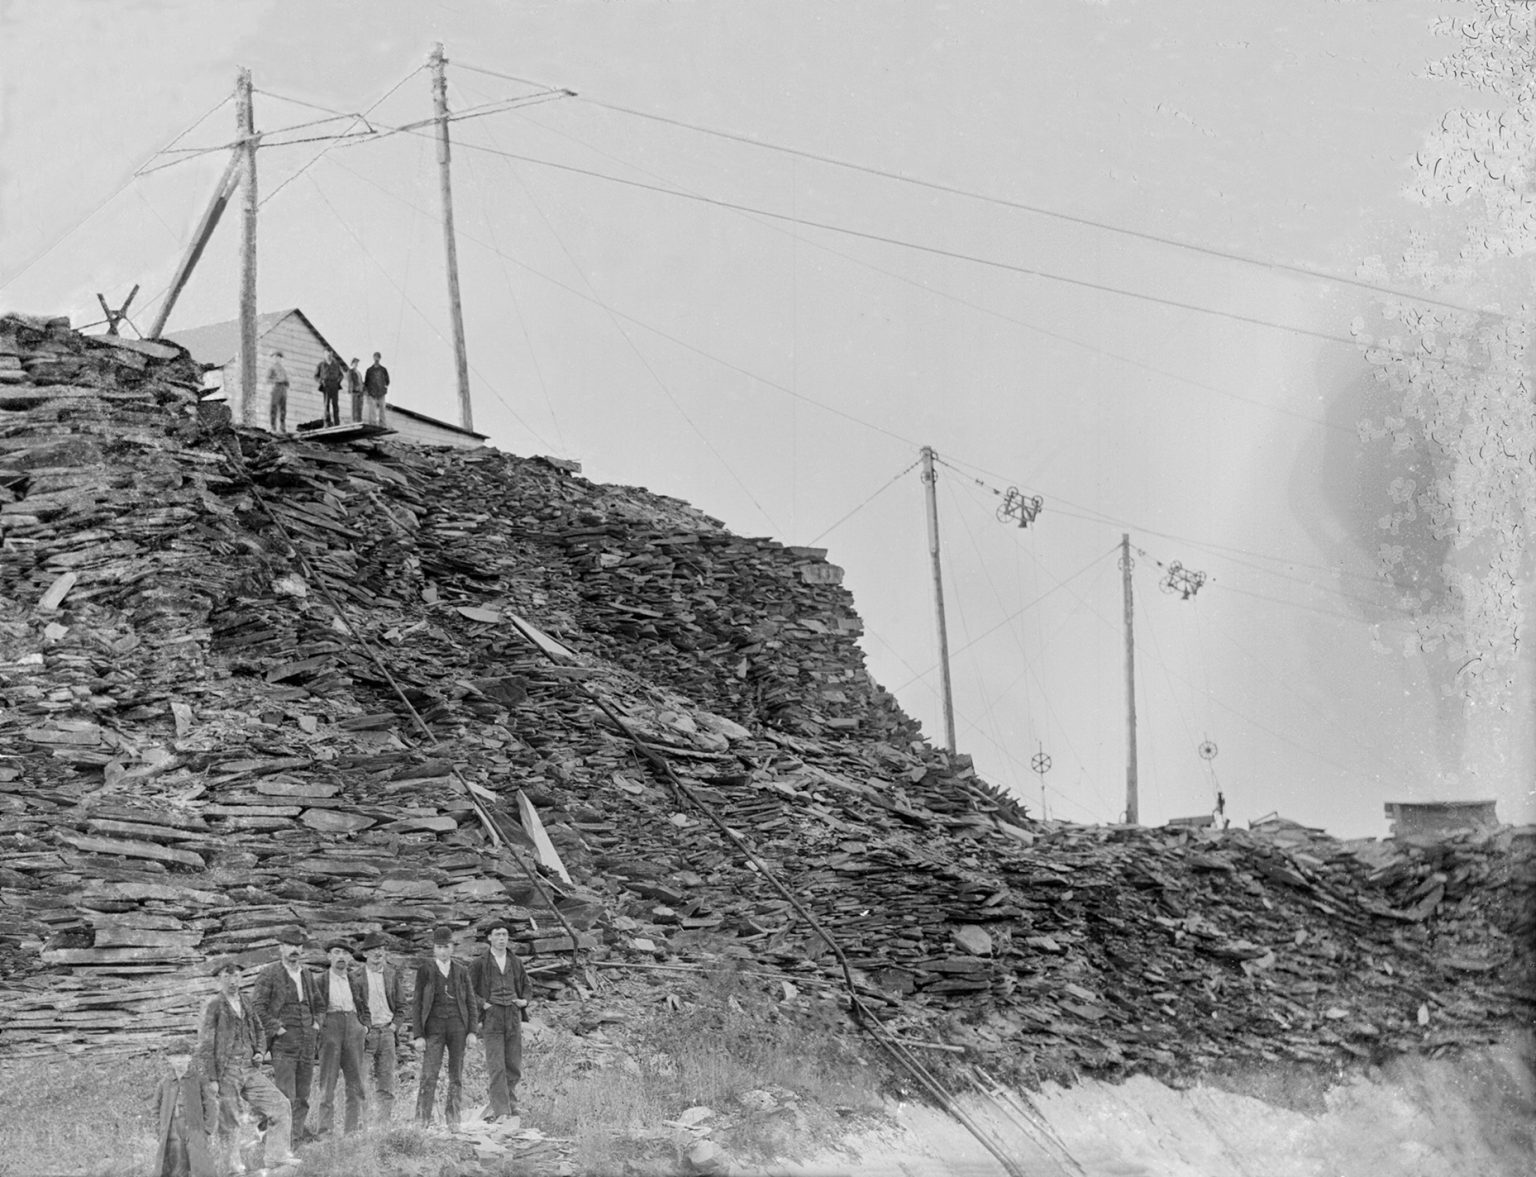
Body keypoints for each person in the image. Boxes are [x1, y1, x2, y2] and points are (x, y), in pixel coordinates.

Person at [196, 959, 297, 1173]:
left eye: (236, 976)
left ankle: (277, 1158)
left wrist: (260, 1051)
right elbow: (206, 1044)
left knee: (280, 1104)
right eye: (227, 976)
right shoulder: (213, 1005)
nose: (233, 981)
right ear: (218, 980)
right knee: (230, 1121)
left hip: (249, 1069)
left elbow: (260, 1029)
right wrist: (213, 1079)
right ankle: (233, 1170)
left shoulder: (246, 1001)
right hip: (227, 1072)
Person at [252, 926, 320, 1150]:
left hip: (307, 1043)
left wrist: (316, 1024)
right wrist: (277, 1028)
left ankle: (295, 1140)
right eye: (290, 945)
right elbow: (258, 1007)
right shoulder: (270, 973)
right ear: (281, 948)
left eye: (298, 946)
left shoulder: (307, 974)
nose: (295, 950)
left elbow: (318, 1004)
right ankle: (275, 1141)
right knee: (285, 1096)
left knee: (303, 1096)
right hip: (283, 1044)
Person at [412, 925, 477, 1130]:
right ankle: (421, 1120)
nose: (443, 951)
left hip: (458, 1026)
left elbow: (471, 1002)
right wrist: (418, 1035)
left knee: (456, 1076)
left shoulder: (461, 971)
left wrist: (472, 1031)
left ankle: (453, 1120)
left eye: (446, 946)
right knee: (429, 1074)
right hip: (434, 1027)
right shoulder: (425, 970)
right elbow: (417, 1003)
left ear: (452, 947)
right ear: (434, 949)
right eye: (439, 947)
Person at [470, 917, 531, 1124]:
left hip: (512, 1016)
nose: (502, 939)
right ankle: (501, 1111)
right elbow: (468, 990)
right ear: (489, 938)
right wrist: (483, 1004)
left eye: (505, 935)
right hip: (493, 1017)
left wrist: (524, 1001)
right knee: (497, 1066)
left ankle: (512, 1105)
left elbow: (526, 985)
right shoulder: (480, 963)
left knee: (513, 1064)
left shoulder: (515, 962)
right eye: (497, 935)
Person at [313, 940, 367, 1138]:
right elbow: (315, 1009)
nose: (341, 957)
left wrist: (363, 1026)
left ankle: (353, 1132)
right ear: (329, 956)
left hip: (353, 1027)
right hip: (330, 1027)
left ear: (350, 957)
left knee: (356, 1084)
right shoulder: (320, 981)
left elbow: (363, 1005)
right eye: (337, 952)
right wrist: (321, 1028)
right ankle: (325, 1132)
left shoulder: (355, 981)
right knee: (328, 1083)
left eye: (345, 953)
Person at [358, 931, 407, 1126]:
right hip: (365, 1036)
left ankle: (383, 1125)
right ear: (365, 954)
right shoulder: (356, 977)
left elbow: (402, 1006)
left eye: (381, 949)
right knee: (360, 1081)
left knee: (386, 1082)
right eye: (373, 950)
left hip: (387, 1033)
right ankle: (361, 1123)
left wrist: (394, 1027)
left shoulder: (391, 975)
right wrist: (362, 1029)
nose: (378, 953)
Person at [315, 351, 344, 427]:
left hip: (334, 386)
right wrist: (321, 381)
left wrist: (338, 380)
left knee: (335, 405)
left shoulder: (336, 364)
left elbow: (341, 375)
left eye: (330, 354)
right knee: (326, 404)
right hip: (326, 386)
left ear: (332, 355)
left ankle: (337, 423)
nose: (329, 356)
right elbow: (316, 376)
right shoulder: (321, 365)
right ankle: (327, 423)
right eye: (327, 354)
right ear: (324, 355)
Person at [362, 352, 389, 427]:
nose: (376, 359)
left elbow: (387, 381)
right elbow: (366, 382)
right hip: (372, 393)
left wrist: (383, 388)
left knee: (382, 409)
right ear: (373, 358)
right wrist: (367, 391)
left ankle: (382, 424)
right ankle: (373, 424)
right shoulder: (369, 370)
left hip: (381, 393)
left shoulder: (383, 370)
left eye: (378, 357)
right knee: (372, 410)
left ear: (380, 359)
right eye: (375, 357)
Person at [266, 351, 290, 434]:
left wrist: (286, 382)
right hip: (276, 388)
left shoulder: (283, 369)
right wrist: (278, 380)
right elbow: (268, 379)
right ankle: (273, 428)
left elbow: (286, 380)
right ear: (274, 358)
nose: (278, 359)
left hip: (283, 389)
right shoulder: (272, 368)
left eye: (279, 358)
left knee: (283, 409)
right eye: (276, 357)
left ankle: (282, 428)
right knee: (274, 408)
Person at [345, 358, 364, 424]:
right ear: (352, 364)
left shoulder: (358, 372)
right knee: (354, 407)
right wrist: (353, 388)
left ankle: (359, 420)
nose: (356, 364)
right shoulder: (350, 372)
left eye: (357, 363)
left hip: (360, 392)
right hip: (354, 391)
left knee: (359, 407)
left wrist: (362, 389)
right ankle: (354, 421)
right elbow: (350, 381)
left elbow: (361, 382)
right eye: (355, 363)